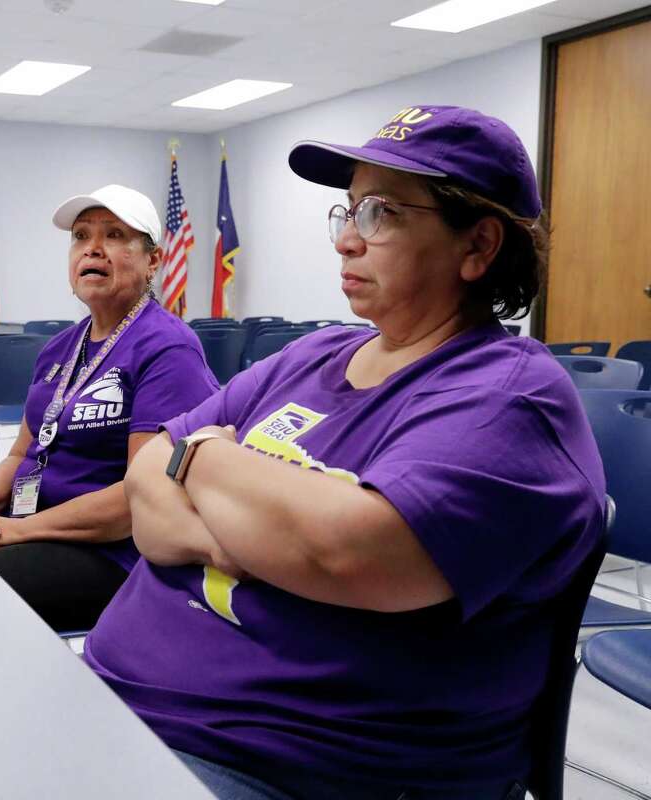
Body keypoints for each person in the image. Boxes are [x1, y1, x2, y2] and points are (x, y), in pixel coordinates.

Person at [86, 106, 606, 800]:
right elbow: (145, 484)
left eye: (382, 214)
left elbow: (348, 552)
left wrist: (203, 461)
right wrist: (246, 534)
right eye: (349, 211)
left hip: (285, 766)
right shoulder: (316, 353)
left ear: (478, 246)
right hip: (114, 699)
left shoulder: (511, 395)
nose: (346, 242)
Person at [0, 184, 219, 631]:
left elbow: (144, 498)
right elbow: (23, 452)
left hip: (111, 555)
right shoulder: (59, 348)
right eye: (81, 235)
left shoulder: (168, 348)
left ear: (153, 261)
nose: (93, 249)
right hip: (30, 527)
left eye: (115, 235)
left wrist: (20, 531)